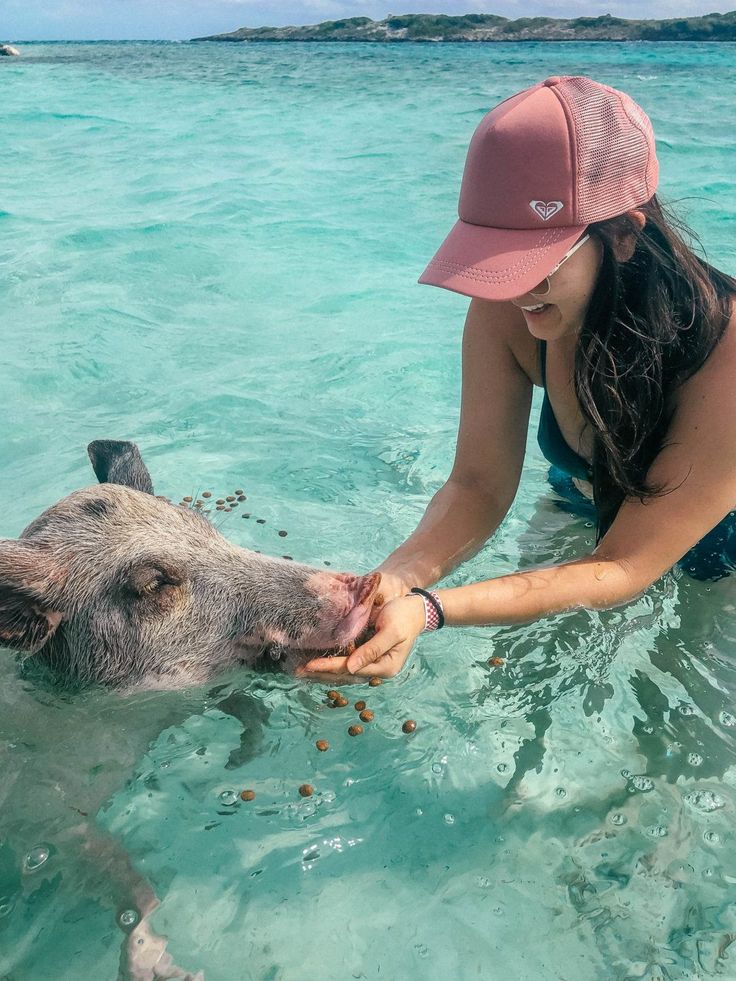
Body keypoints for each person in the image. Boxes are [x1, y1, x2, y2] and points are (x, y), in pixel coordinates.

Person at [297, 75, 736, 683]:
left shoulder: (724, 346)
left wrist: (430, 610)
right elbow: (477, 484)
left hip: (721, 550)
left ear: (624, 235)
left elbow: (627, 565)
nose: (511, 286)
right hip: (585, 502)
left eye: (534, 262)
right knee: (522, 681)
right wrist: (398, 577)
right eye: (496, 257)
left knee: (675, 733)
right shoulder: (513, 307)